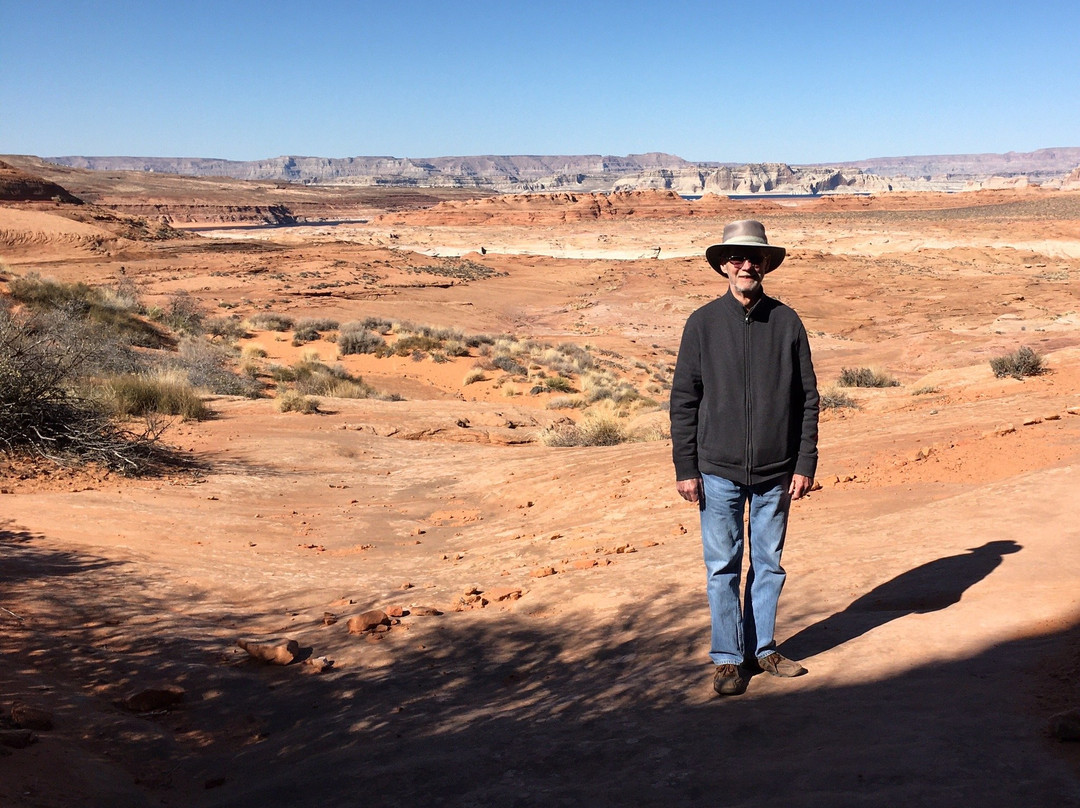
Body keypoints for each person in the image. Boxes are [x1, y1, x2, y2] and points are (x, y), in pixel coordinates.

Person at [669, 220, 819, 697]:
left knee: (769, 564)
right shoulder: (702, 323)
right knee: (723, 567)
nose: (746, 265)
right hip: (717, 471)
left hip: (776, 470)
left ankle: (763, 648)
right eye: (737, 257)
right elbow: (684, 400)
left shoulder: (787, 322)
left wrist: (805, 462)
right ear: (723, 266)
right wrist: (686, 468)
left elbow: (808, 399)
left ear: (766, 265)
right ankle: (728, 659)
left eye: (755, 258)